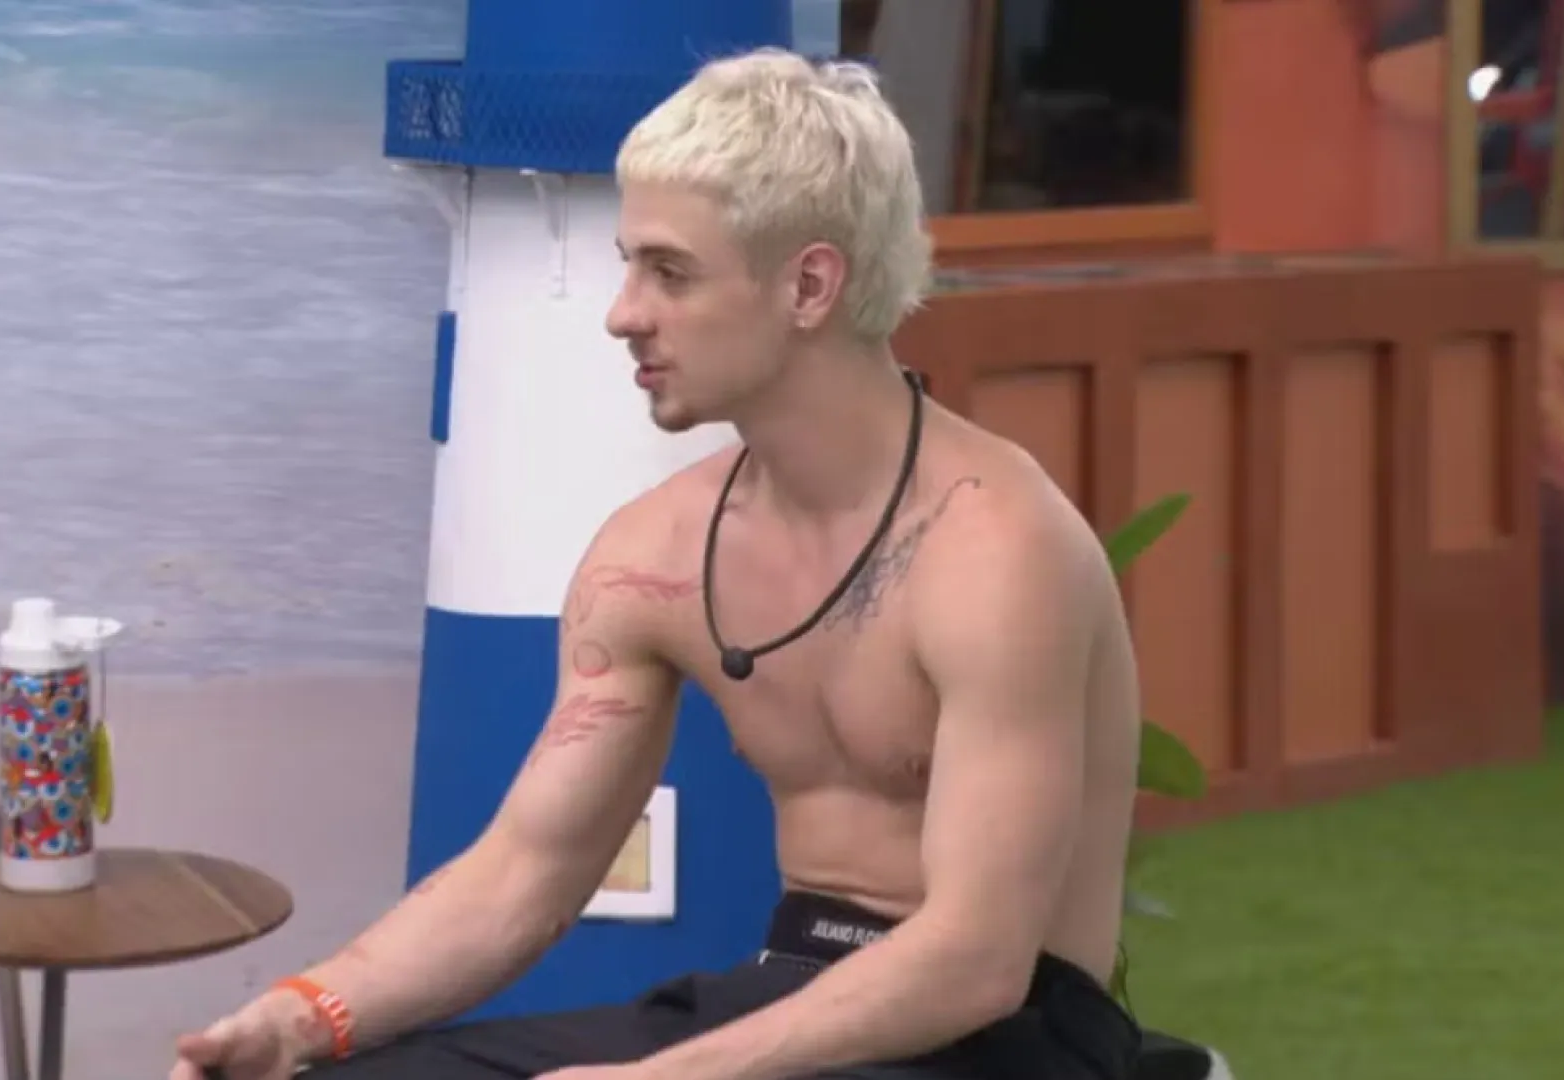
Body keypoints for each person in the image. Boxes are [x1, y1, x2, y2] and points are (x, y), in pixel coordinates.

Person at [169, 46, 1144, 1080]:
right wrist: (304, 1017)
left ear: (810, 285)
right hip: (792, 989)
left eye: (670, 272)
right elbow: (527, 870)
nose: (622, 312)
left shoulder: (993, 551)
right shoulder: (653, 558)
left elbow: (979, 962)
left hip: (1012, 1038)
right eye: (627, 263)